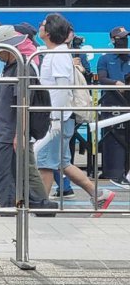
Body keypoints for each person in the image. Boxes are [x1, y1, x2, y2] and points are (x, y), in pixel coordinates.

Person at [36, 14, 114, 211]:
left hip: (57, 117)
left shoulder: (58, 55)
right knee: (61, 162)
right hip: (59, 117)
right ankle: (99, 194)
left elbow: (62, 90)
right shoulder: (56, 53)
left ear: (50, 31)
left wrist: (55, 118)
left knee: (45, 163)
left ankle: (41, 204)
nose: (40, 26)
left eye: (43, 24)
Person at [0, 25, 50, 210]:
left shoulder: (20, 68)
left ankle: (13, 208)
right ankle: (36, 205)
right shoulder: (12, 66)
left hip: (10, 132)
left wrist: (19, 133)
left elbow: (23, 103)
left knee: (9, 177)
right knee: (15, 174)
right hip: (6, 131)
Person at [97, 27, 130, 186]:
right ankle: (115, 171)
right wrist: (116, 83)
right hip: (111, 103)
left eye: (125, 37)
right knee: (114, 138)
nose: (124, 41)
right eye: (120, 38)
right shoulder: (105, 58)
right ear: (112, 40)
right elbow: (102, 78)